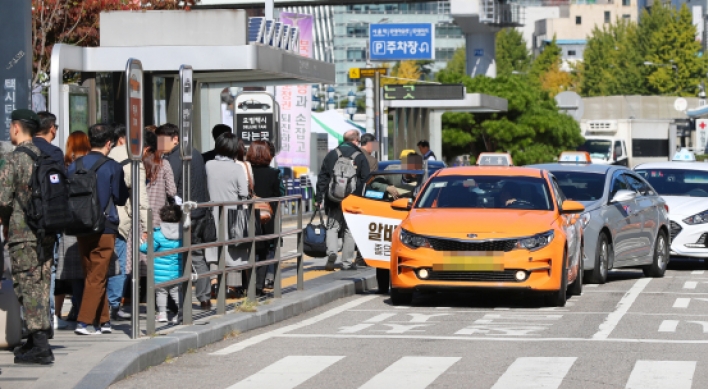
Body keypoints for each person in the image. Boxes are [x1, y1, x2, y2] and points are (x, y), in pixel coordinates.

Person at [1, 110, 55, 364]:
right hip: (47, 230)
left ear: (15, 128)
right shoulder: (46, 155)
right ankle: (36, 339)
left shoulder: (15, 159)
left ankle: (41, 346)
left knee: (27, 285)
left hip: (23, 233)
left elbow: (3, 199)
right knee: (42, 283)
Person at [67, 124, 129, 335]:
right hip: (105, 227)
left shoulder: (75, 165)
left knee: (94, 275)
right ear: (109, 143)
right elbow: (120, 198)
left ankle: (104, 321)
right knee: (98, 276)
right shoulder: (113, 167)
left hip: (81, 225)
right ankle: (84, 322)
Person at [156, 123, 211, 309]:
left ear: (175, 139)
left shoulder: (174, 158)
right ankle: (204, 297)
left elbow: (170, 188)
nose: (160, 144)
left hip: (183, 214)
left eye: (163, 140)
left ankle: (176, 301)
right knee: (197, 255)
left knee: (178, 256)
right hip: (199, 210)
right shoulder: (194, 153)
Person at [107, 124, 149, 321]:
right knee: (117, 264)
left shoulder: (105, 154)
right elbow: (141, 199)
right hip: (118, 220)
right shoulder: (133, 161)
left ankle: (89, 308)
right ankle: (113, 306)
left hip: (92, 219)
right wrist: (147, 226)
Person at [315, 129, 370, 271]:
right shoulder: (360, 156)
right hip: (352, 199)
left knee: (332, 227)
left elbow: (323, 177)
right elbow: (366, 179)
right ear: (356, 140)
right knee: (349, 231)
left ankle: (332, 253)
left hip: (333, 198)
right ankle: (346, 262)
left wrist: (319, 197)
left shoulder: (332, 154)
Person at [34, 111, 67, 333]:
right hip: (49, 218)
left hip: (25, 218)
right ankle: (48, 318)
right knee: (49, 268)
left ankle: (31, 320)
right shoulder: (54, 153)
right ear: (52, 128)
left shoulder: (23, 149)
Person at [206, 133, 249, 294]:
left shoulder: (209, 165)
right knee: (233, 248)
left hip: (212, 213)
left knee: (213, 247)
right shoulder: (237, 168)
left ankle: (214, 282)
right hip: (233, 214)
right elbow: (243, 193)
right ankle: (232, 286)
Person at [56, 132, 91, 323]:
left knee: (76, 271)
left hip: (70, 222)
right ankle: (88, 308)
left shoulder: (65, 168)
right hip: (90, 221)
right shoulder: (93, 164)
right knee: (90, 268)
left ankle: (77, 307)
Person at [246, 141, 281, 296]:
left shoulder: (245, 170)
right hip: (267, 216)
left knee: (248, 250)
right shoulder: (273, 173)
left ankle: (246, 285)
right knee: (265, 250)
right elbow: (278, 195)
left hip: (247, 215)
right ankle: (258, 286)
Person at [140, 201, 183, 325]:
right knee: (176, 292)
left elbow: (146, 249)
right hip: (177, 271)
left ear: (162, 217)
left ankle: (162, 314)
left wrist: (142, 242)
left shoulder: (158, 235)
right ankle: (182, 312)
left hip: (160, 273)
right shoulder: (182, 234)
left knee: (161, 293)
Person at [360, 133, 399, 199]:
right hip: (364, 195)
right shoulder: (371, 160)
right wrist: (387, 188)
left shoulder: (352, 154)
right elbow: (372, 182)